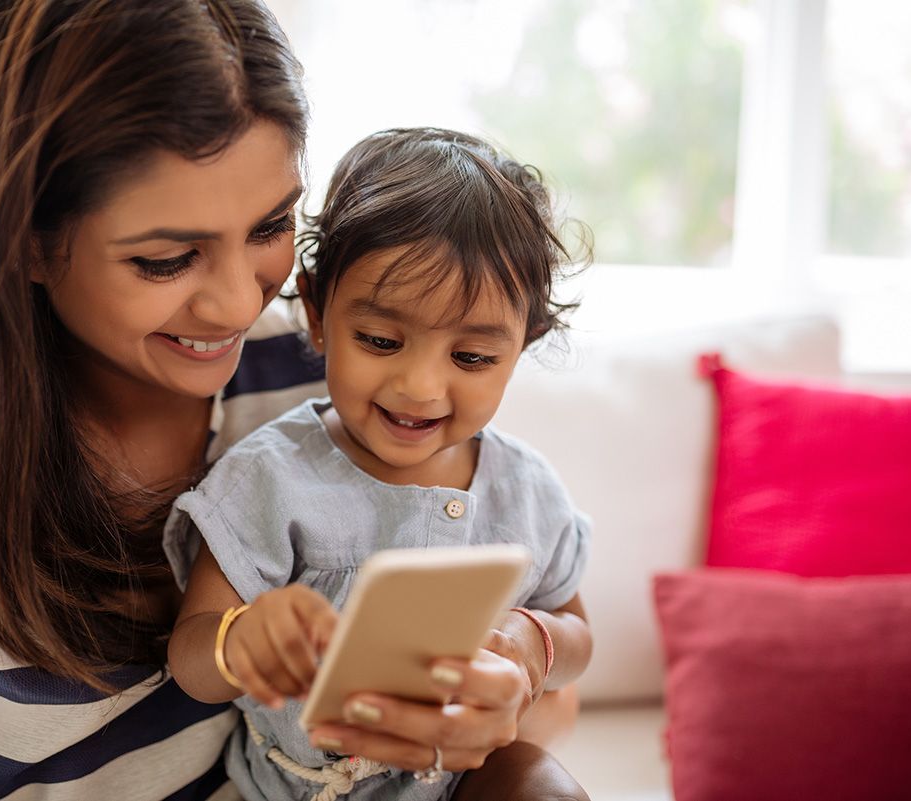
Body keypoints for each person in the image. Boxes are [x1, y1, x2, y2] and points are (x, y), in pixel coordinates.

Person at [0, 2, 581, 799]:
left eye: (271, 225)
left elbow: (540, 682)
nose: (238, 304)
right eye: (166, 258)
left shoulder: (341, 369)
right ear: (22, 236)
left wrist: (505, 704)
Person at [165, 127, 594, 801]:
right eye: (379, 340)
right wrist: (240, 638)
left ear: (524, 345)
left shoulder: (527, 489)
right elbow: (189, 655)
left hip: (466, 781)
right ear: (315, 312)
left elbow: (578, 636)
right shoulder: (272, 477)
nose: (420, 386)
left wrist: (535, 642)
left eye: (473, 357)